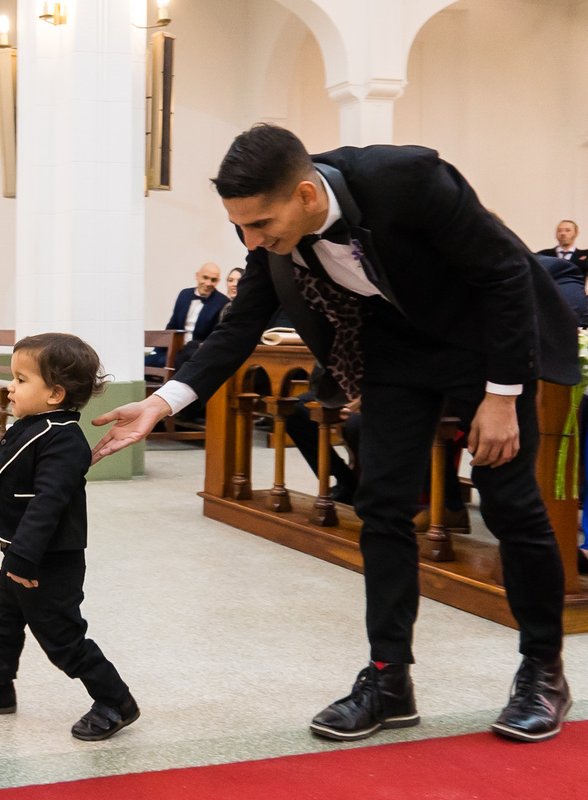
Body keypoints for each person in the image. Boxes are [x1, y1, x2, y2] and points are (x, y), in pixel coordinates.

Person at [92, 124, 578, 743]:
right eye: (239, 228)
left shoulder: (410, 177)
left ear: (304, 194)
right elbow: (241, 325)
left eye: (260, 224)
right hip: (394, 359)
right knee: (381, 508)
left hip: (485, 346)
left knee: (511, 505)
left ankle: (542, 670)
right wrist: (163, 403)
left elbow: (506, 273)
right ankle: (388, 679)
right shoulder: (275, 234)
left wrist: (503, 395)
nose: (252, 241)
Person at [0, 333, 139, 741]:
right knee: (2, 621)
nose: (10, 388)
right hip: (21, 553)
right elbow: (17, 481)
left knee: (62, 639)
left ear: (54, 393)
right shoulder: (32, 426)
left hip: (46, 560)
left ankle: (116, 701)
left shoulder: (64, 440)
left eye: (20, 379)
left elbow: (48, 501)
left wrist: (23, 559)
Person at [146, 262, 229, 370]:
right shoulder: (184, 295)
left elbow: (214, 335)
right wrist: (157, 350)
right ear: (197, 276)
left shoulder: (222, 302)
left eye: (213, 280)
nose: (208, 283)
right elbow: (172, 325)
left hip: (197, 351)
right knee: (145, 361)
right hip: (176, 349)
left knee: (182, 360)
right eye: (205, 277)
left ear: (218, 281)